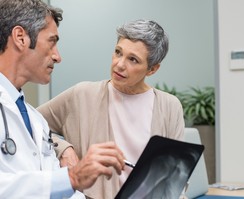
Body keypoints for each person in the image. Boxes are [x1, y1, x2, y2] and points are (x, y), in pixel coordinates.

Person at [37, 19, 185, 198]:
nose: (119, 64)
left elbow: (177, 173)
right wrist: (63, 148)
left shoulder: (170, 106)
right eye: (118, 52)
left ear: (152, 69)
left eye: (133, 60)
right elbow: (30, 122)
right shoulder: (82, 94)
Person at [0, 0, 126, 198]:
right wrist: (72, 177)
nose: (58, 57)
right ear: (20, 38)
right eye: (52, 42)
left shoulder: (36, 121)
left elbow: (57, 188)